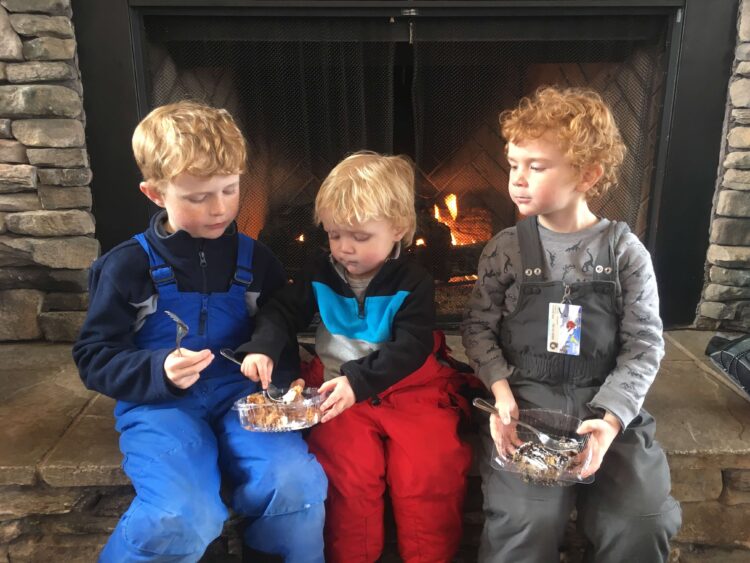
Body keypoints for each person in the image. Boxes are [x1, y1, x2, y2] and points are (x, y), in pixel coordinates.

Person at [72, 100, 327, 563]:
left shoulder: (257, 259)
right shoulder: (126, 266)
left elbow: (278, 323)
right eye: (197, 197)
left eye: (230, 190)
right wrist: (158, 371)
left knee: (296, 483)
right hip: (159, 406)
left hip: (244, 399)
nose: (220, 208)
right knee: (180, 513)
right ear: (154, 194)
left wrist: (275, 365)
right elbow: (94, 356)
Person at [461, 86, 682, 562]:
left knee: (641, 519)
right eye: (513, 164)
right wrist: (501, 397)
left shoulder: (625, 253)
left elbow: (644, 345)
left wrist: (610, 421)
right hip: (526, 406)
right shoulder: (505, 249)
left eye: (536, 167)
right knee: (526, 520)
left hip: (604, 411)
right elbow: (477, 329)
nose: (517, 180)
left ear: (588, 174)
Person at [235, 151, 473, 563]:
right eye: (334, 235)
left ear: (397, 229)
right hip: (335, 390)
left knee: (429, 469)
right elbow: (281, 310)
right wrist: (263, 346)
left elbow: (413, 346)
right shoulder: (321, 272)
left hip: (408, 388)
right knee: (347, 475)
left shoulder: (413, 281)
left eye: (360, 237)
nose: (345, 249)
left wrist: (359, 382)